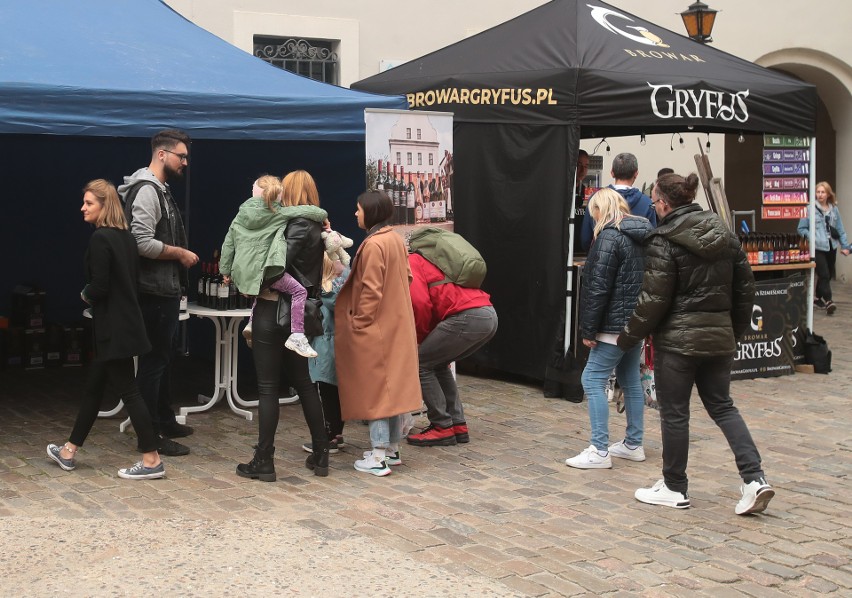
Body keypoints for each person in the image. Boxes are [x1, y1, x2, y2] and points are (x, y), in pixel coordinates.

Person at [618, 172, 775, 515]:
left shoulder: (665, 239)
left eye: (656, 202)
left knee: (675, 414)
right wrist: (732, 332)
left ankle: (675, 486)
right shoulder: (727, 236)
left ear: (664, 203)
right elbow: (746, 290)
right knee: (722, 406)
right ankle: (754, 478)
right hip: (717, 338)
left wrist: (626, 338)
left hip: (679, 343)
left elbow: (653, 300)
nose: (655, 207)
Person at [47, 180, 164, 480]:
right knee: (94, 390)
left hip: (113, 328)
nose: (83, 208)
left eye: (89, 203)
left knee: (130, 391)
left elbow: (99, 286)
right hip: (120, 325)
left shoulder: (101, 239)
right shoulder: (125, 238)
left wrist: (85, 295)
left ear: (104, 205)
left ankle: (151, 459)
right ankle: (69, 450)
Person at [235, 170, 330, 481]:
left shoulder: (295, 226)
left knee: (267, 388)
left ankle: (264, 461)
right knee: (305, 385)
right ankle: (321, 454)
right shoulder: (318, 225)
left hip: (274, 311)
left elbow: (276, 266)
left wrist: (249, 275)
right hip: (300, 317)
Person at [119, 129, 198, 457]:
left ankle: (164, 419)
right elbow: (140, 242)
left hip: (162, 289)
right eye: (181, 156)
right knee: (153, 362)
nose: (185, 163)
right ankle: (149, 434)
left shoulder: (159, 189)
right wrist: (179, 253)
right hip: (152, 291)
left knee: (162, 358)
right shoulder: (148, 191)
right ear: (162, 154)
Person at [335, 191, 422, 476]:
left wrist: (360, 321)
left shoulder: (374, 245)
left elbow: (370, 290)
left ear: (369, 213)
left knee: (377, 390)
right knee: (392, 387)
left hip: (378, 328)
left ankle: (380, 454)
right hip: (396, 323)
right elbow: (406, 277)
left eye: (358, 209)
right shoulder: (395, 238)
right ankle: (391, 450)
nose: (355, 214)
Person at [565, 189, 652, 469]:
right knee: (629, 380)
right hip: (635, 322)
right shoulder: (641, 237)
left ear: (601, 210)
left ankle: (599, 449)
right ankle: (633, 443)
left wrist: (588, 330)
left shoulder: (609, 237)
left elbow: (598, 288)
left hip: (612, 324)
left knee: (592, 379)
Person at [220, 175, 322, 358]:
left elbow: (228, 244)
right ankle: (297, 334)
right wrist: (324, 217)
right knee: (299, 292)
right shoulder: (280, 213)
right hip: (265, 270)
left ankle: (251, 321)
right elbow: (312, 211)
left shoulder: (240, 215)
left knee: (259, 288)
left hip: (242, 272)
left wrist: (225, 271)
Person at [405, 250, 498, 447]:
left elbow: (420, 303)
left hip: (467, 316)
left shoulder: (413, 261)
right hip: (487, 313)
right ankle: (457, 424)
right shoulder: (436, 260)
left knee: (421, 363)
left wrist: (420, 339)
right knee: (438, 364)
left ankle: (441, 426)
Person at [301, 254, 349, 456]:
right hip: (340, 342)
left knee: (326, 391)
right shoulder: (347, 281)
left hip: (325, 342)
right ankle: (336, 433)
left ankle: (329, 436)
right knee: (336, 391)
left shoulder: (327, 289)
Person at [581, 153, 657, 251]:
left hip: (601, 257)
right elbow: (652, 242)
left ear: (612, 172)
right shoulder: (647, 203)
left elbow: (586, 239)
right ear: (636, 174)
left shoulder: (596, 199)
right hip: (636, 263)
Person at [797, 181, 851, 315]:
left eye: (823, 192)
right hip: (817, 246)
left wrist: (845, 246)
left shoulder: (834, 209)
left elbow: (840, 229)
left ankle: (817, 298)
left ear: (828, 194)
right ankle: (829, 301)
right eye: (818, 192)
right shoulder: (809, 209)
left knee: (827, 274)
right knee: (824, 274)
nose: (820, 195)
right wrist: (812, 237)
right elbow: (801, 228)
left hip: (831, 246)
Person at [571, 149, 591, 256]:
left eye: (586, 166)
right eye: (579, 165)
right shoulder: (561, 191)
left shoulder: (587, 193)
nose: (583, 170)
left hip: (582, 252)